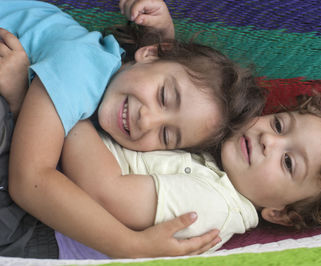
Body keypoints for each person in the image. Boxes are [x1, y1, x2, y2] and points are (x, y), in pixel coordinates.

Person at [0, 0, 265, 259]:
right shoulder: (83, 67)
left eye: (166, 135)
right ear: (150, 53)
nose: (146, 121)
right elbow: (29, 181)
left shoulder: (119, 80)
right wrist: (129, 245)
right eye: (163, 97)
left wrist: (161, 37)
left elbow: (158, 73)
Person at [57, 86, 321, 258]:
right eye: (278, 124)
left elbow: (105, 191)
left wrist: (63, 102)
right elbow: (189, 92)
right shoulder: (223, 156)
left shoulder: (214, 206)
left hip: (44, 217)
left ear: (280, 213)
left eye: (288, 162)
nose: (269, 140)